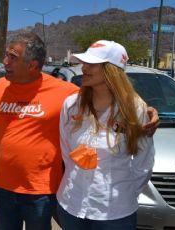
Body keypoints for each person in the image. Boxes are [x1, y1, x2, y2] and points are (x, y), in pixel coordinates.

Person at [0, 32, 159, 230]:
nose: (5, 62)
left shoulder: (66, 93)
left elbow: (142, 160)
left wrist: (147, 111)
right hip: (18, 191)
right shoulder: (5, 88)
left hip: (51, 194)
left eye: (12, 57)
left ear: (32, 65)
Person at [57, 40, 155, 230]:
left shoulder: (136, 109)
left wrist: (125, 193)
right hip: (71, 205)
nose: (83, 68)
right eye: (84, 62)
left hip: (115, 215)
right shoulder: (71, 105)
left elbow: (144, 161)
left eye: (91, 64)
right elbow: (66, 150)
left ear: (112, 70)